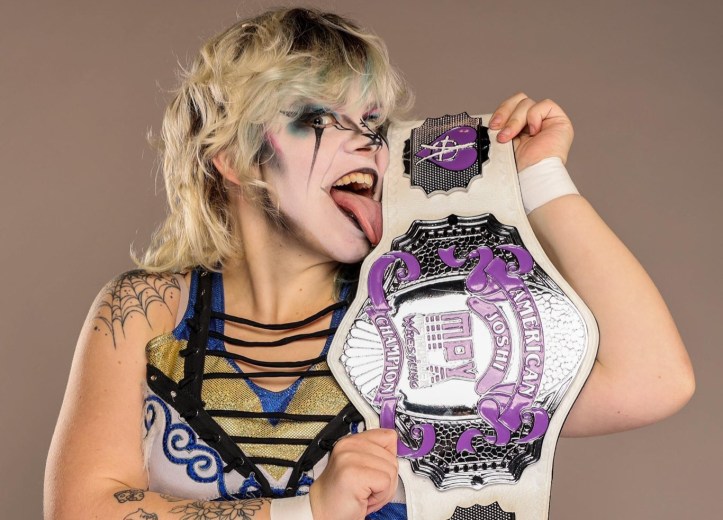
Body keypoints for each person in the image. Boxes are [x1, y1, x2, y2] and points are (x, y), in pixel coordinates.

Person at [44, 7, 695, 520]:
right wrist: (309, 511)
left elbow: (652, 381)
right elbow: (81, 508)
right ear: (234, 159)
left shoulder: (422, 315)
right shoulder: (147, 310)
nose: (365, 144)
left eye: (373, 123)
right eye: (316, 119)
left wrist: (539, 178)